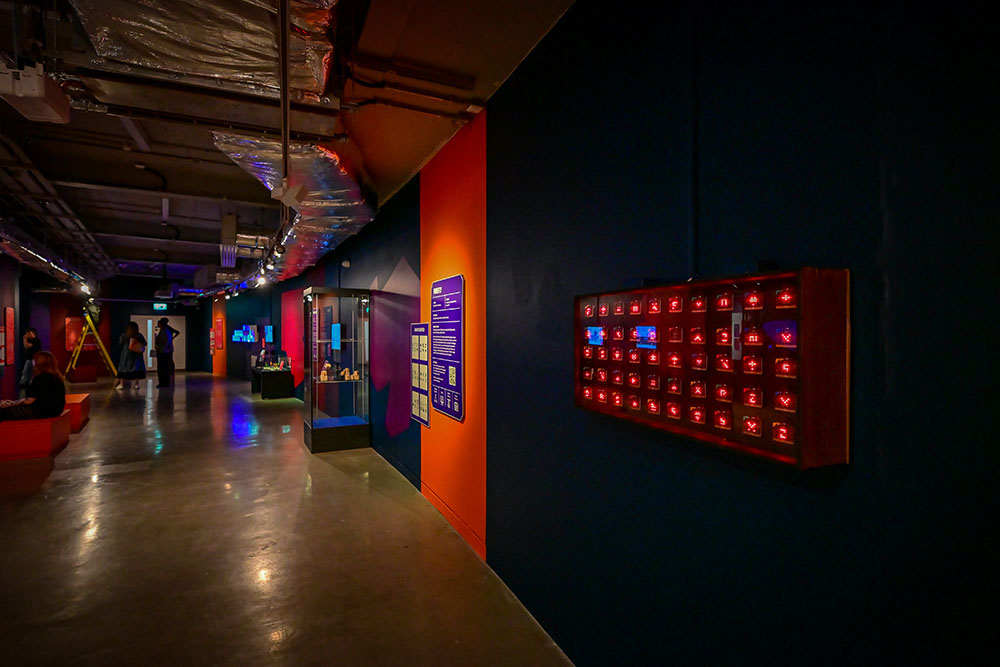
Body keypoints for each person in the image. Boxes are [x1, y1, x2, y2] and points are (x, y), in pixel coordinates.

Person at [0, 351, 66, 422]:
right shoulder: (57, 377)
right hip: (56, 410)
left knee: (3, 412)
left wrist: (12, 404)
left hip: (40, 412)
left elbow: (30, 401)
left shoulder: (40, 378)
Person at [115, 321, 147, 391]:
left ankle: (121, 384)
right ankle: (136, 384)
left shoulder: (125, 335)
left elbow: (120, 343)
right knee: (136, 368)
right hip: (137, 354)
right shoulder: (139, 335)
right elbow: (145, 343)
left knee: (123, 368)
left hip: (126, 354)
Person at [154, 317, 180, 388]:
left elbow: (166, 341)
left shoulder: (164, 331)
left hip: (163, 352)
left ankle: (163, 382)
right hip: (166, 351)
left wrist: (161, 348)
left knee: (163, 367)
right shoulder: (167, 330)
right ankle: (165, 381)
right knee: (166, 365)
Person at [19, 327, 42, 393]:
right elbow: (26, 346)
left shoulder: (36, 340)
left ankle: (31, 387)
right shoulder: (31, 340)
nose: (26, 335)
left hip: (34, 360)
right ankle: (24, 386)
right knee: (25, 373)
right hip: (29, 359)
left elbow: (27, 346)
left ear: (31, 333)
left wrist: (24, 338)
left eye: (27, 333)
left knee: (32, 373)